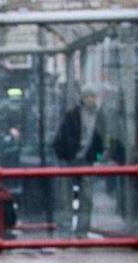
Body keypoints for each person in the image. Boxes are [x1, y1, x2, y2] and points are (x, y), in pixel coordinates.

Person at [53, 88, 107, 236]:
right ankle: (66, 228)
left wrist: (95, 158)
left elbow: (101, 140)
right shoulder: (72, 115)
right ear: (82, 98)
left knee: (87, 198)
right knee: (65, 197)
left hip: (86, 161)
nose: (90, 99)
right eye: (88, 96)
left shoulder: (99, 116)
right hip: (69, 160)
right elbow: (61, 137)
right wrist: (64, 157)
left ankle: (82, 230)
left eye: (93, 96)